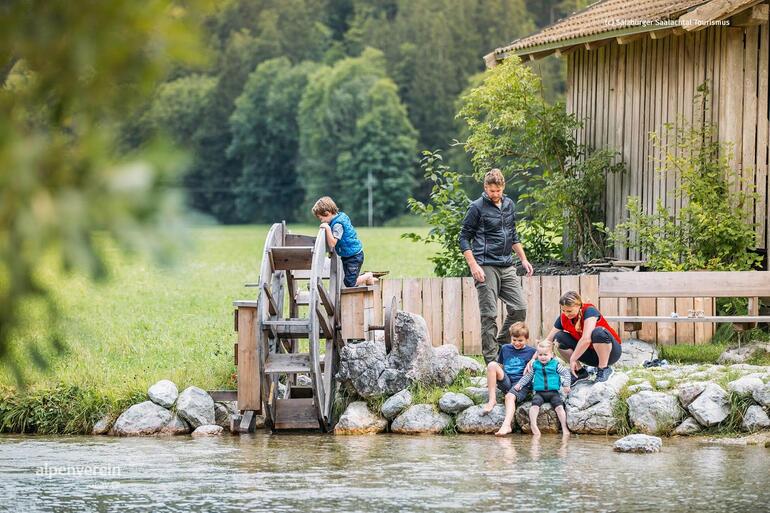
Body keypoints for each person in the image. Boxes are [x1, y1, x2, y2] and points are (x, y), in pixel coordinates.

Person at [459, 169, 533, 364]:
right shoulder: (476, 207)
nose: (495, 194)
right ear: (485, 188)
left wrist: (523, 259)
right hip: (485, 265)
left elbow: (513, 234)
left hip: (506, 264)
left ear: (503, 187)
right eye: (491, 191)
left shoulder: (509, 204)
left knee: (519, 308)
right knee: (489, 314)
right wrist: (473, 265)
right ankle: (492, 362)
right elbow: (464, 238)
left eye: (498, 190)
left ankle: (501, 343)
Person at [544, 290, 623, 384]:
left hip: (610, 353)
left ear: (578, 306)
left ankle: (604, 369)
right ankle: (580, 372)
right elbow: (548, 340)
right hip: (590, 356)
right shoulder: (563, 317)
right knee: (559, 337)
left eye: (569, 311)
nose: (566, 314)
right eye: (563, 310)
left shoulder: (589, 311)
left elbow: (586, 339)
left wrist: (572, 358)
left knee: (598, 332)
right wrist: (533, 358)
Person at [481, 321, 536, 436]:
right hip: (507, 381)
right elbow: (500, 366)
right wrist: (491, 380)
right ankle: (492, 400)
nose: (516, 343)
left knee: (509, 397)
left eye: (520, 340)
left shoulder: (532, 352)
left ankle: (506, 425)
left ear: (527, 339)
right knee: (492, 365)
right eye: (514, 340)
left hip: (521, 384)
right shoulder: (505, 348)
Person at [312, 196, 375, 287]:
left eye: (321, 218)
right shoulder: (340, 217)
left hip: (354, 256)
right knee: (350, 278)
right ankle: (368, 279)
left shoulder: (338, 224)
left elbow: (333, 243)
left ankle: (368, 275)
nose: (321, 221)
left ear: (327, 213)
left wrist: (327, 228)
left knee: (350, 283)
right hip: (347, 256)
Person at [514, 340, 571, 437]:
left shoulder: (555, 364)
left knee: (559, 407)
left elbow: (566, 373)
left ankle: (564, 426)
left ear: (551, 354)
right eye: (540, 355)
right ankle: (533, 425)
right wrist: (520, 384)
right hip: (540, 393)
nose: (543, 357)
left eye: (545, 354)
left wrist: (566, 385)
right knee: (534, 406)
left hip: (553, 392)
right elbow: (528, 376)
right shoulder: (535, 365)